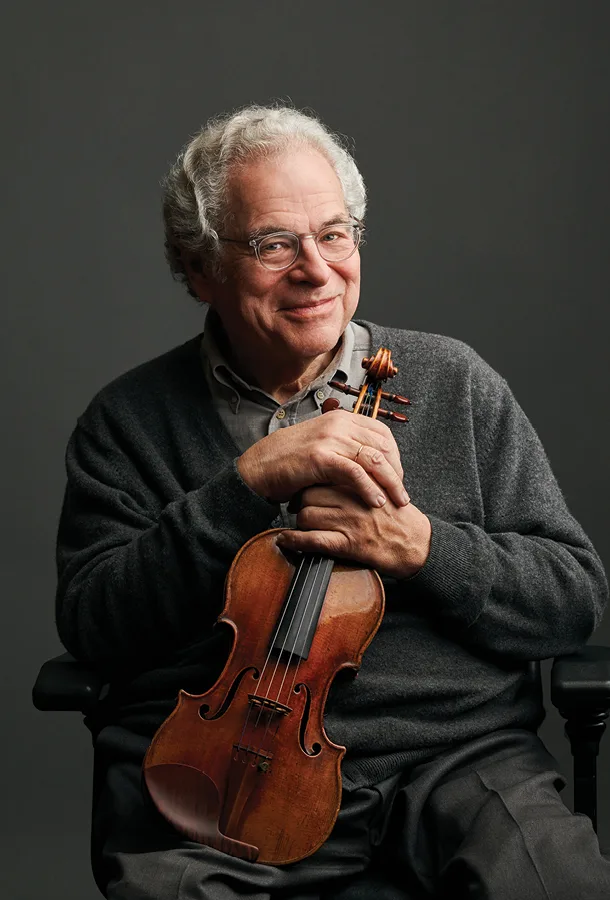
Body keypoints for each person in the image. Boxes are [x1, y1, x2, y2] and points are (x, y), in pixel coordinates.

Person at [55, 103, 609, 899]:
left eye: (335, 234)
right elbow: (96, 626)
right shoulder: (127, 422)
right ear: (199, 266)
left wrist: (422, 546)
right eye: (275, 244)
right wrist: (241, 487)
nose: (316, 269)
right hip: (216, 784)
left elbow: (571, 600)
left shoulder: (456, 382)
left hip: (455, 762)